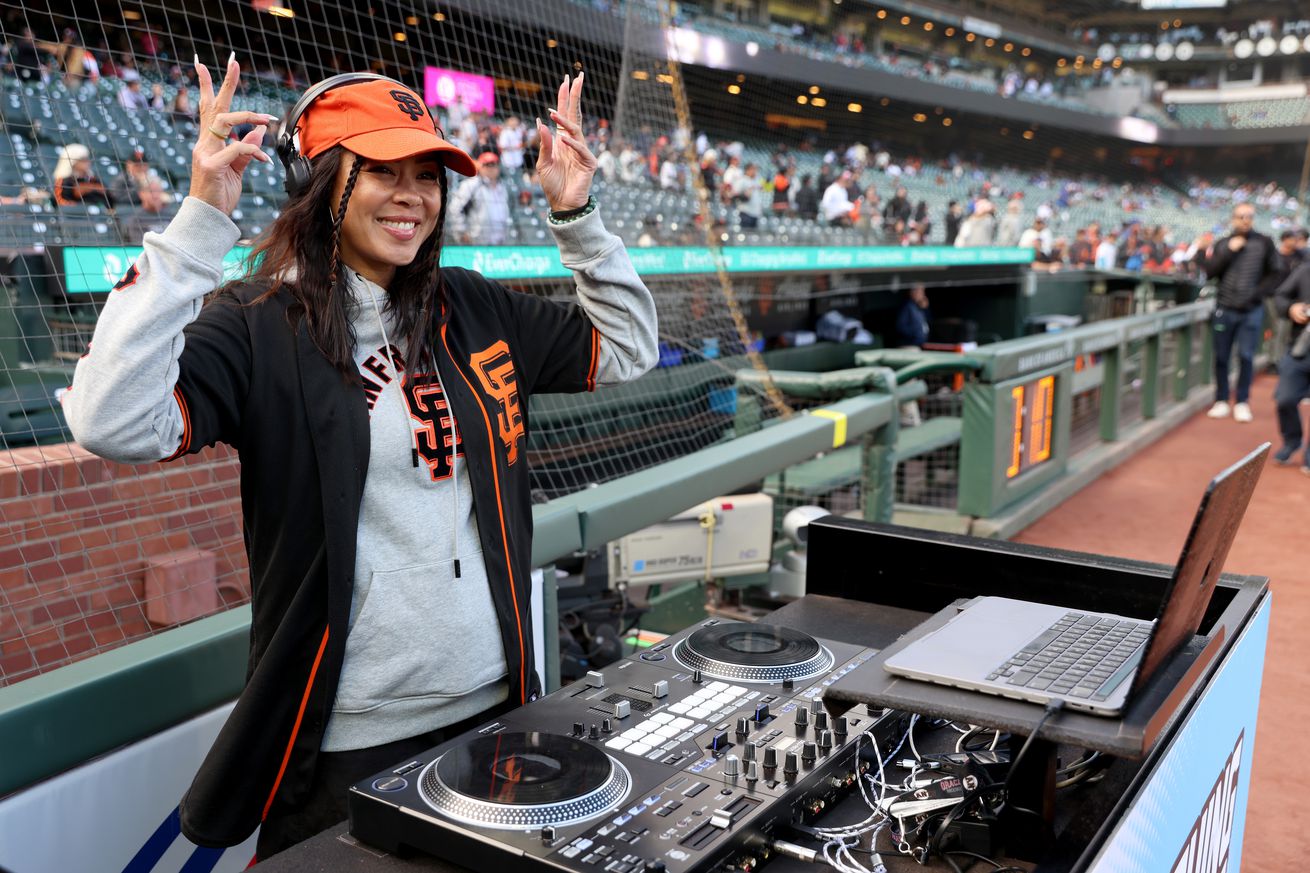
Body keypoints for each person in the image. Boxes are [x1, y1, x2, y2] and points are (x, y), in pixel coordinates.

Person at [62, 59, 657, 860]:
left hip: (497, 712)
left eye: (428, 174)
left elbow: (627, 348)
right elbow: (110, 419)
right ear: (324, 181)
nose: (413, 194)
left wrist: (577, 214)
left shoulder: (472, 304)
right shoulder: (259, 323)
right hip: (344, 744)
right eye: (382, 170)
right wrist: (202, 220)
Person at [1200, 204, 1283, 423]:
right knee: (1221, 357)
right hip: (1224, 308)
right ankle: (1221, 400)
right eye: (1241, 216)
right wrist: (1229, 251)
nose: (1246, 220)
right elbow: (1209, 272)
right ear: (1234, 219)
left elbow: (1276, 272)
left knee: (1246, 356)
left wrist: (1256, 295)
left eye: (1250, 216)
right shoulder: (1224, 243)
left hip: (1251, 311)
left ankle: (1242, 401)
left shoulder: (1264, 242)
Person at [1272, 261, 1310, 471]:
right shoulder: (1305, 270)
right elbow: (1280, 297)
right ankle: (1292, 441)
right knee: (1285, 399)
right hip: (1301, 348)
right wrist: (1291, 308)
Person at [448, 151, 511, 245]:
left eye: (494, 164)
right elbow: (454, 208)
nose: (491, 168)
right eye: (487, 165)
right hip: (476, 242)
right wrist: (461, 231)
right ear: (480, 166)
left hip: (500, 243)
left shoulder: (502, 187)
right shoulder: (471, 184)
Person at [53, 143, 113, 208]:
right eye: (83, 160)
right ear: (73, 162)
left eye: (87, 159)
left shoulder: (93, 179)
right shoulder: (64, 181)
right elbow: (61, 202)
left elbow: (109, 199)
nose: (88, 162)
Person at [119, 179, 173, 243]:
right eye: (151, 191)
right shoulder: (136, 220)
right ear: (141, 194)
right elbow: (140, 245)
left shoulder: (171, 217)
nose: (155, 195)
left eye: (158, 191)